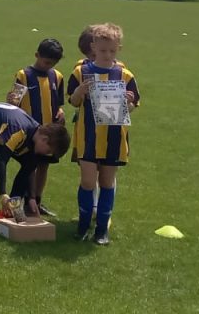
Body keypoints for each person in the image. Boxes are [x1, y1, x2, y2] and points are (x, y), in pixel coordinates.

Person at [69, 23, 139, 245]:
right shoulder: (81, 72)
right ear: (93, 47)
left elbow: (133, 106)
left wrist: (128, 103)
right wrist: (79, 91)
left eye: (112, 51)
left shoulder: (125, 75)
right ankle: (82, 225)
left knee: (107, 182)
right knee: (88, 181)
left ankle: (101, 230)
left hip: (114, 139)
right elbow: (73, 101)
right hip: (88, 137)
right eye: (102, 50)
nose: (107, 55)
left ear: (119, 48)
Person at [0, 103, 70, 222]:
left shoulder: (35, 134)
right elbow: (2, 161)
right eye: (48, 151)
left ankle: (12, 207)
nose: (46, 154)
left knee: (29, 164)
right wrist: (3, 194)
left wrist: (31, 198)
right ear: (44, 139)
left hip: (0, 129)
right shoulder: (19, 132)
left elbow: (29, 169)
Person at [8, 38, 65, 217]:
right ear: (37, 55)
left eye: (53, 63)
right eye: (46, 62)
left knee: (43, 166)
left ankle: (37, 201)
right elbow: (14, 103)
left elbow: (58, 102)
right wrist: (11, 101)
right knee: (30, 167)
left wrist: (60, 112)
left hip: (49, 134)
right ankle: (27, 200)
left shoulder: (57, 76)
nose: (49, 66)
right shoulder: (24, 75)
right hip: (31, 134)